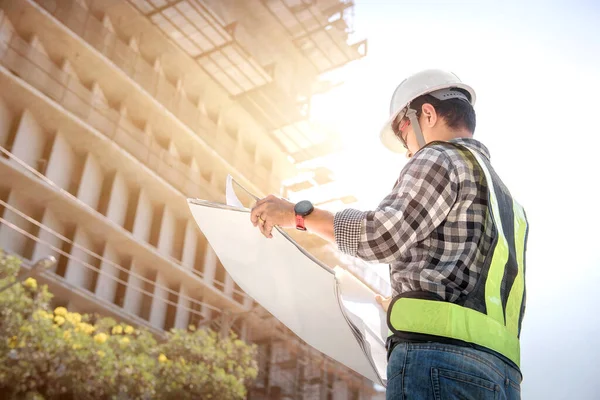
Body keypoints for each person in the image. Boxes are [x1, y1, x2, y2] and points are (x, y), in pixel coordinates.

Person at [250, 69, 528, 400]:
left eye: (402, 130)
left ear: (426, 113)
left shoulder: (440, 156)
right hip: (504, 378)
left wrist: (298, 215)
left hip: (437, 362)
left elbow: (380, 237)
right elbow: (468, 288)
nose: (407, 148)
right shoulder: (511, 204)